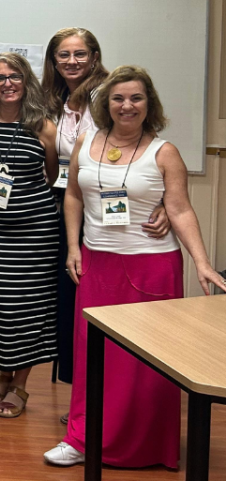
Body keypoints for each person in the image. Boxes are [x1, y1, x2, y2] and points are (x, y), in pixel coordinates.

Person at [44, 66, 226, 468]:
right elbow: (73, 195)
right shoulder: (86, 141)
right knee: (94, 356)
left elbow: (180, 209)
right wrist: (72, 246)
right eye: (118, 98)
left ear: (149, 104)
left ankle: (147, 446)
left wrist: (203, 262)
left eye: (136, 98)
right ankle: (82, 438)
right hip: (96, 263)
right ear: (106, 104)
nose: (127, 106)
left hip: (151, 267)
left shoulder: (164, 152)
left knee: (145, 364)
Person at [41, 27, 168, 388]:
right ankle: (83, 393)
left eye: (80, 53)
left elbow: (146, 148)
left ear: (95, 57)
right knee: (71, 298)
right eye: (63, 55)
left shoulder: (111, 94)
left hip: (104, 209)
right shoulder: (54, 100)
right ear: (53, 61)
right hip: (66, 204)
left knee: (103, 301)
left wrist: (163, 203)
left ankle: (113, 388)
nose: (72, 61)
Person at [0, 52, 59, 419]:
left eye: (15, 77)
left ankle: (18, 382)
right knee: (3, 307)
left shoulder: (44, 126)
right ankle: (3, 372)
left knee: (29, 307)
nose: (7, 83)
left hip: (35, 231)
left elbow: (51, 176)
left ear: (27, 81)